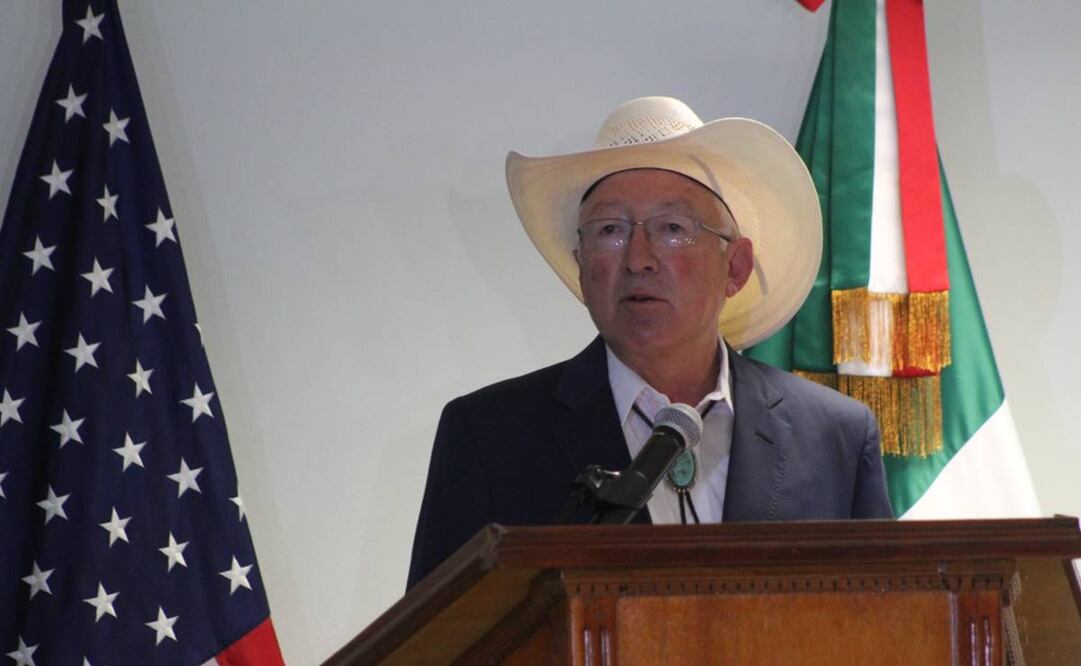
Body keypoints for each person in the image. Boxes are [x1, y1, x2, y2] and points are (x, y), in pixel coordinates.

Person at [407, 97, 893, 589]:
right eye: (610, 231)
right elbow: (434, 646)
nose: (639, 258)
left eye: (673, 229)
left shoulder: (835, 436)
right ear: (582, 264)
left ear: (736, 268)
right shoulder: (490, 436)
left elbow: (887, 628)